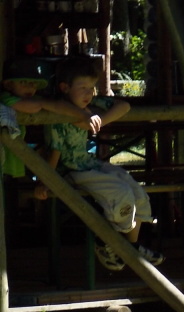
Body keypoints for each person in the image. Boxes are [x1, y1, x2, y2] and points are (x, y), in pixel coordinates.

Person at [33, 56, 164, 272]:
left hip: (88, 163)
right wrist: (45, 182)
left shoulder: (91, 105)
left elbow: (124, 105)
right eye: (83, 87)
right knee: (119, 192)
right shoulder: (57, 116)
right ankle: (106, 242)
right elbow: (55, 152)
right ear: (65, 88)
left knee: (134, 187)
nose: (89, 93)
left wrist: (99, 120)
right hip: (72, 170)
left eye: (91, 87)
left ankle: (131, 246)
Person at [1, 57, 96, 178]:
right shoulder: (5, 98)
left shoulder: (33, 99)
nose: (30, 87)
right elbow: (35, 107)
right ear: (9, 85)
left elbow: (57, 105)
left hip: (11, 156)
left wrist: (84, 114)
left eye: (34, 83)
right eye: (24, 82)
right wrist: (45, 104)